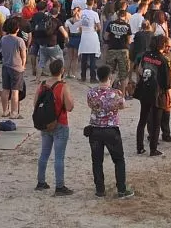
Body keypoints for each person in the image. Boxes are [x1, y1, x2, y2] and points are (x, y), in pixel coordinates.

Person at [86, 64, 135, 198]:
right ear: (109, 78)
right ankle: (121, 189)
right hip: (111, 129)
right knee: (118, 160)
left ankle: (100, 190)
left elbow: (90, 105)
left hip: (95, 130)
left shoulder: (91, 93)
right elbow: (123, 106)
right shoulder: (116, 93)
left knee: (97, 161)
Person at [35, 58, 75, 195]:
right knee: (59, 157)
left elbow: (35, 103)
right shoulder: (63, 86)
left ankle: (41, 182)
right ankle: (59, 186)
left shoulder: (43, 85)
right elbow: (69, 107)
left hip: (46, 123)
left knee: (44, 153)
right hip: (60, 122)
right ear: (62, 70)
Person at [0, 17, 28, 118]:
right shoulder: (19, 40)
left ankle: (5, 111)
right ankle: (14, 112)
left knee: (5, 89)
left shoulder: (3, 39)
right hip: (16, 67)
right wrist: (23, 65)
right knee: (15, 91)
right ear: (17, 29)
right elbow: (23, 56)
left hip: (5, 66)